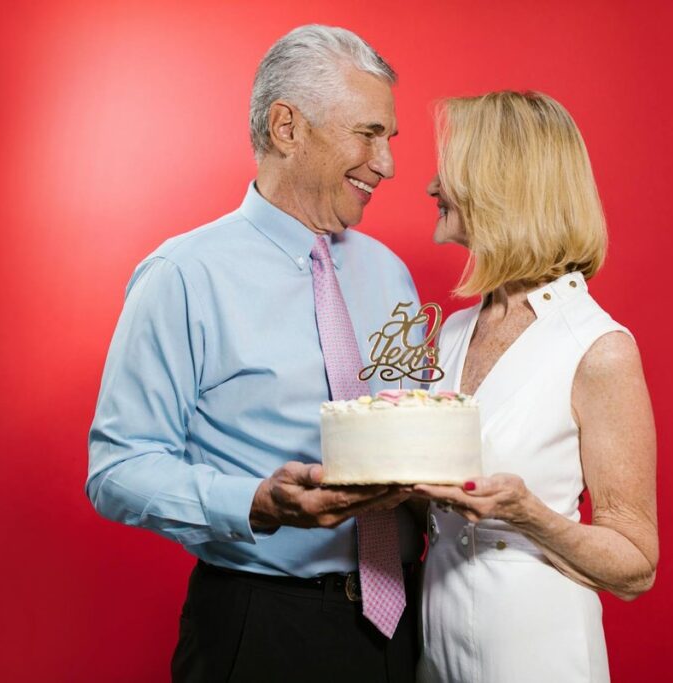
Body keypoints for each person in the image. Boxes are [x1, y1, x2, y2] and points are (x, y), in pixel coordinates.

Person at [86, 25, 422, 683]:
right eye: (369, 133)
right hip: (263, 629)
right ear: (288, 128)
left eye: (390, 139)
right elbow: (117, 466)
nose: (387, 165)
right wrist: (253, 501)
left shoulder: (391, 273)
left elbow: (416, 428)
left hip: (402, 627)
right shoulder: (184, 275)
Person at [413, 91, 659, 682]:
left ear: (504, 184)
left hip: (538, 654)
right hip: (435, 647)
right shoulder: (452, 331)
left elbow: (637, 564)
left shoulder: (598, 347)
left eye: (452, 167)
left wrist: (529, 514)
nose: (430, 186)